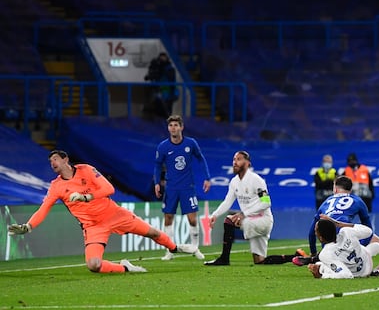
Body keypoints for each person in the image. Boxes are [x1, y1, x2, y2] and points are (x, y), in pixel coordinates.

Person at [7, 150, 198, 273]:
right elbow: (44, 209)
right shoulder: (56, 186)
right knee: (94, 265)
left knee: (153, 233)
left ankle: (175, 248)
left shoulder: (86, 170)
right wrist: (28, 226)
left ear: (65, 159)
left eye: (55, 159)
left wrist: (85, 197)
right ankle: (126, 268)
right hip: (93, 227)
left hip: (114, 214)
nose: (53, 163)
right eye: (50, 162)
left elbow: (109, 189)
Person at [204, 150, 306, 266]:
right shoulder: (234, 182)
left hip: (263, 220)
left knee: (229, 221)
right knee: (260, 261)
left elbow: (266, 203)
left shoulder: (256, 180)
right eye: (234, 160)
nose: (235, 162)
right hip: (251, 220)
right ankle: (296, 257)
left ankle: (224, 259)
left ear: (247, 163)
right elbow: (227, 201)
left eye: (239, 159)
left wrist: (244, 214)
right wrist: (215, 215)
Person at [154, 115, 211, 261]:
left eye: (176, 125)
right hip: (171, 187)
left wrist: (207, 178)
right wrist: (156, 182)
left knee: (192, 219)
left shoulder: (190, 143)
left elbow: (201, 158)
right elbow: (158, 165)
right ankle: (170, 251)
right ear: (168, 128)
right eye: (171, 125)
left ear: (181, 127)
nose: (173, 128)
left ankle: (195, 248)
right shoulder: (163, 146)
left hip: (187, 187)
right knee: (168, 218)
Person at [293, 175, 379, 266]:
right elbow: (368, 229)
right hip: (346, 236)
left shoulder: (326, 202)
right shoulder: (357, 201)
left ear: (335, 189)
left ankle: (318, 259)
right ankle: (360, 257)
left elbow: (311, 233)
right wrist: (361, 247)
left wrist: (313, 252)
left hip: (328, 243)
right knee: (378, 241)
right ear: (350, 190)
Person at [307, 215, 379, 279]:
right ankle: (316, 263)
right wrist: (338, 223)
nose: (315, 233)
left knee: (323, 265)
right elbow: (369, 231)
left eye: (315, 231)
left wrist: (321, 276)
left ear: (320, 238)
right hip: (366, 260)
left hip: (360, 274)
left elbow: (347, 275)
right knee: (378, 242)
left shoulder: (325, 254)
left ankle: (317, 264)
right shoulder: (346, 232)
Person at [144, 52, 178, 118]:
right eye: (161, 58)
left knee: (166, 111)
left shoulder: (169, 69)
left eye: (163, 58)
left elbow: (172, 81)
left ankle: (165, 123)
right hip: (159, 92)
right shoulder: (158, 68)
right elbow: (149, 77)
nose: (162, 59)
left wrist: (172, 92)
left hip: (167, 94)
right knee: (158, 110)